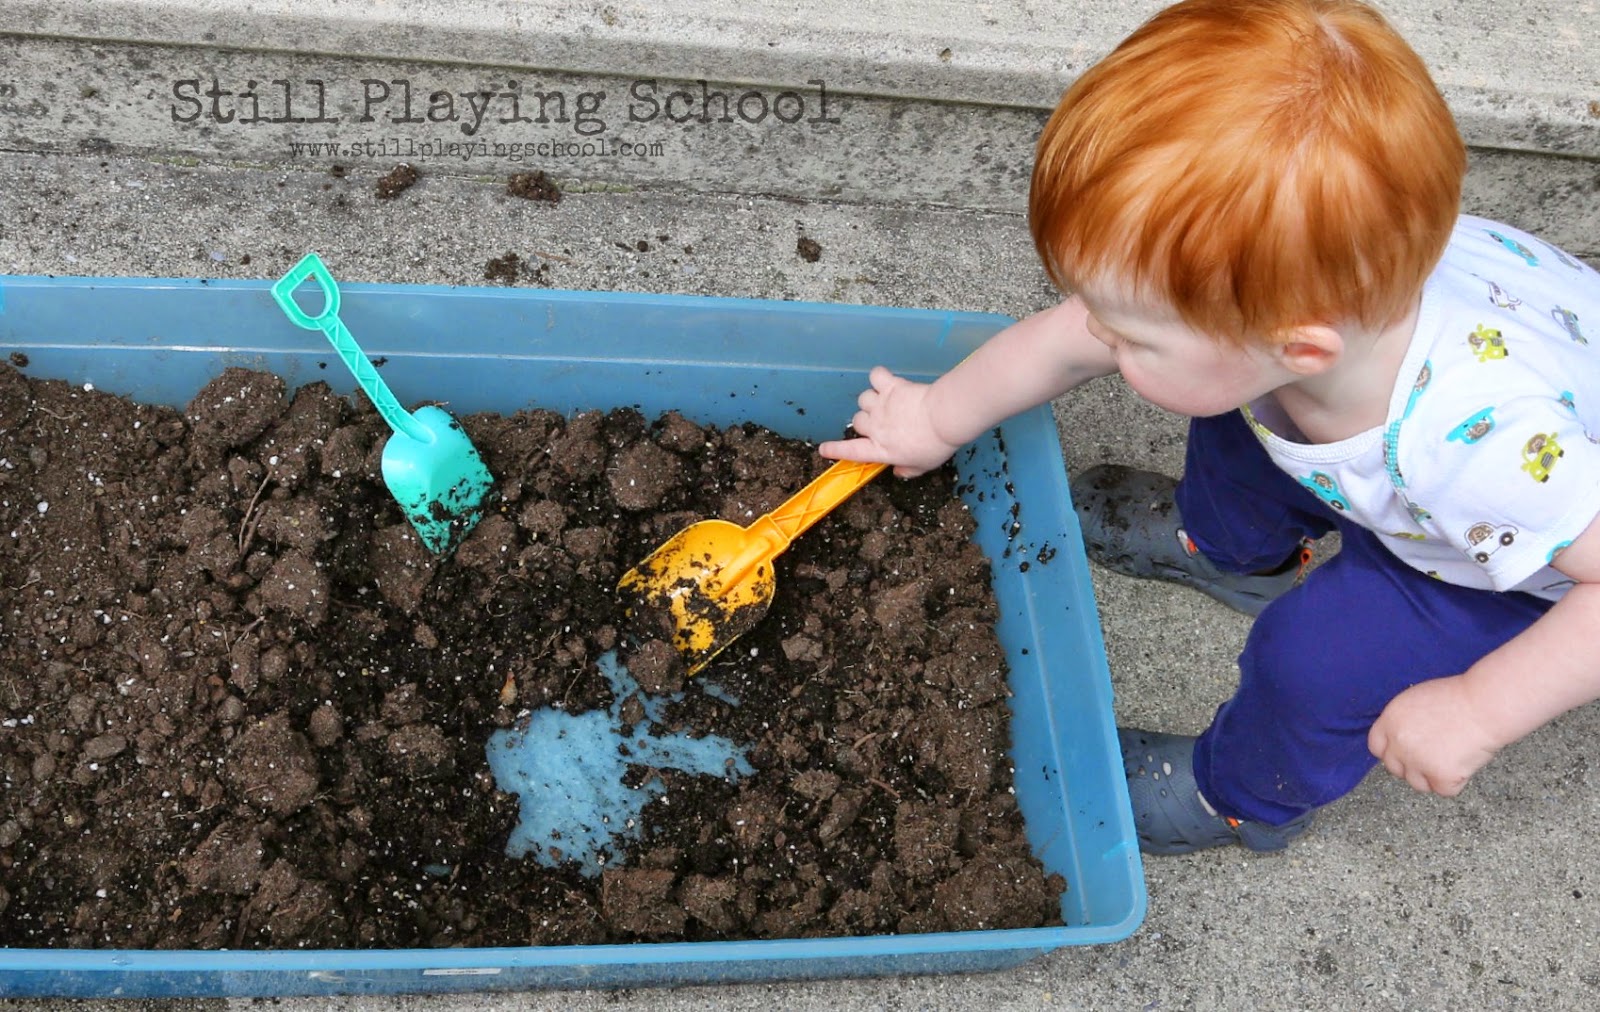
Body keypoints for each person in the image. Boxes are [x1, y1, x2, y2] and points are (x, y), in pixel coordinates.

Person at [818, 0, 1600, 855]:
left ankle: (1238, 798)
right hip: (1359, 429)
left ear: (1297, 345)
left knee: (1313, 667)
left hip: (1506, 555)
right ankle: (1233, 554)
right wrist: (933, 417)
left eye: (1131, 331)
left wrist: (1481, 706)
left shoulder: (1480, 453)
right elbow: (1067, 342)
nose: (1098, 335)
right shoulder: (1323, 273)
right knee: (1234, 425)